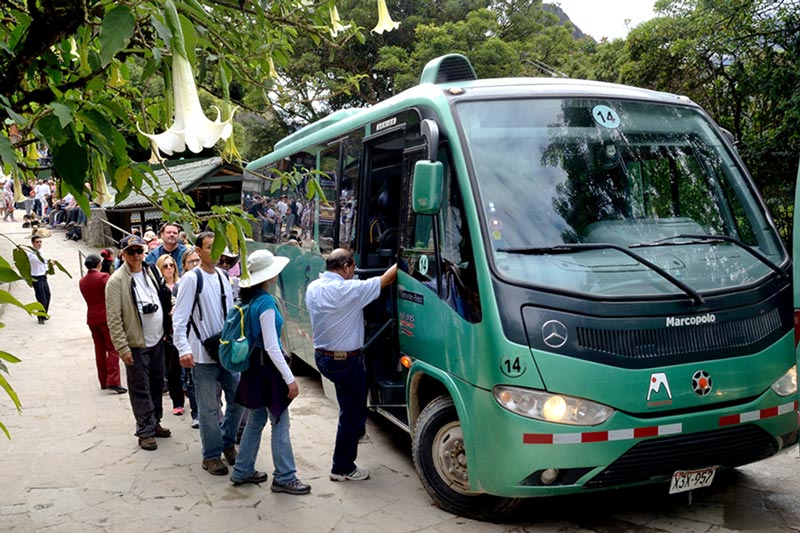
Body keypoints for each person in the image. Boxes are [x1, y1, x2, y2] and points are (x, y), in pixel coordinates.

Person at [305, 248, 397, 481]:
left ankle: (354, 434)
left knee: (351, 404)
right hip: (345, 361)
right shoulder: (347, 291)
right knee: (350, 413)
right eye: (353, 267)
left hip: (323, 357)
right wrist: (404, 259)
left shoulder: (314, 287)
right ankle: (342, 467)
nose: (355, 271)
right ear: (345, 267)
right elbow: (387, 279)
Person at [230, 250, 311, 494]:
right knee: (280, 423)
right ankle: (285, 477)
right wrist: (290, 379)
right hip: (268, 370)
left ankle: (242, 469)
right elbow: (272, 346)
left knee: (256, 420)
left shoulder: (250, 298)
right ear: (270, 275)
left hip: (254, 368)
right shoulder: (265, 301)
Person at [172, 231, 243, 476]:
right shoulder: (192, 279)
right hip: (202, 355)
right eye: (209, 247)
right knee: (208, 407)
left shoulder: (224, 277)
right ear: (198, 250)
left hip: (226, 351)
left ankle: (227, 443)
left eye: (218, 247)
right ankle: (211, 455)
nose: (214, 252)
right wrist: (183, 348)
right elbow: (179, 318)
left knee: (238, 399)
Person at [105, 235, 173, 450]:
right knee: (140, 388)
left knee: (157, 384)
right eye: (131, 252)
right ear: (123, 254)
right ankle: (144, 430)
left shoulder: (151, 271)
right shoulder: (116, 281)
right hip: (136, 343)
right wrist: (122, 347)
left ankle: (155, 422)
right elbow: (114, 318)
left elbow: (164, 294)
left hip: (157, 339)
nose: (136, 256)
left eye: (139, 251)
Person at [79, 254, 125, 394]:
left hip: (92, 316)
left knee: (99, 350)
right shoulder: (103, 277)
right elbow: (113, 293)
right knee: (112, 348)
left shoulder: (82, 281)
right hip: (106, 316)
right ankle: (113, 380)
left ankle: (103, 380)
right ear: (99, 264)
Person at [156, 254, 185, 416]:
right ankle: (178, 401)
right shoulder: (158, 288)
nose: (169, 268)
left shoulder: (182, 284)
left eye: (171, 265)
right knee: (173, 370)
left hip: (184, 332)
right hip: (168, 334)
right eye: (165, 266)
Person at [27, 234, 51, 325]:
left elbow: (44, 262)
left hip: (43, 276)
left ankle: (44, 314)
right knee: (41, 298)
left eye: (40, 242)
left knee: (48, 295)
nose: (39, 244)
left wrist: (47, 268)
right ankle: (40, 317)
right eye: (37, 242)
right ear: (33, 243)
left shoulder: (41, 251)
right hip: (36, 277)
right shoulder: (30, 253)